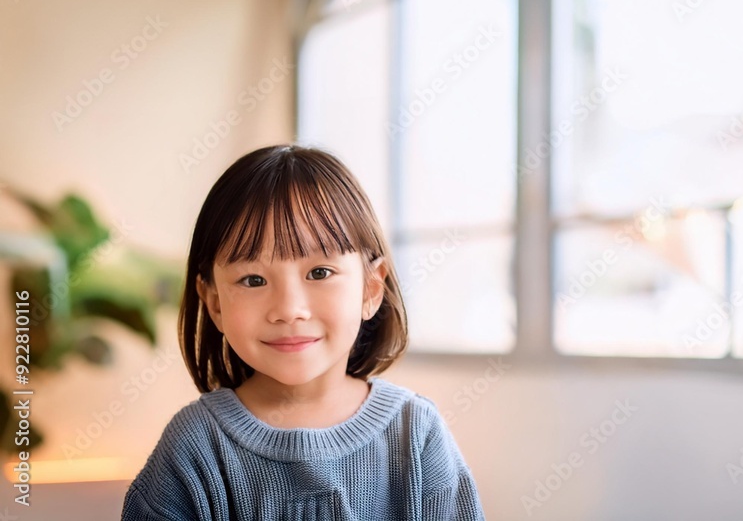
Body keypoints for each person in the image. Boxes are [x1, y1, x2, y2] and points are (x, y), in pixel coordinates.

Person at [121, 145, 485, 520]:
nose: (289, 310)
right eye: (253, 279)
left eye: (319, 273)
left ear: (371, 289)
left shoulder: (416, 433)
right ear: (214, 303)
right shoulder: (193, 446)